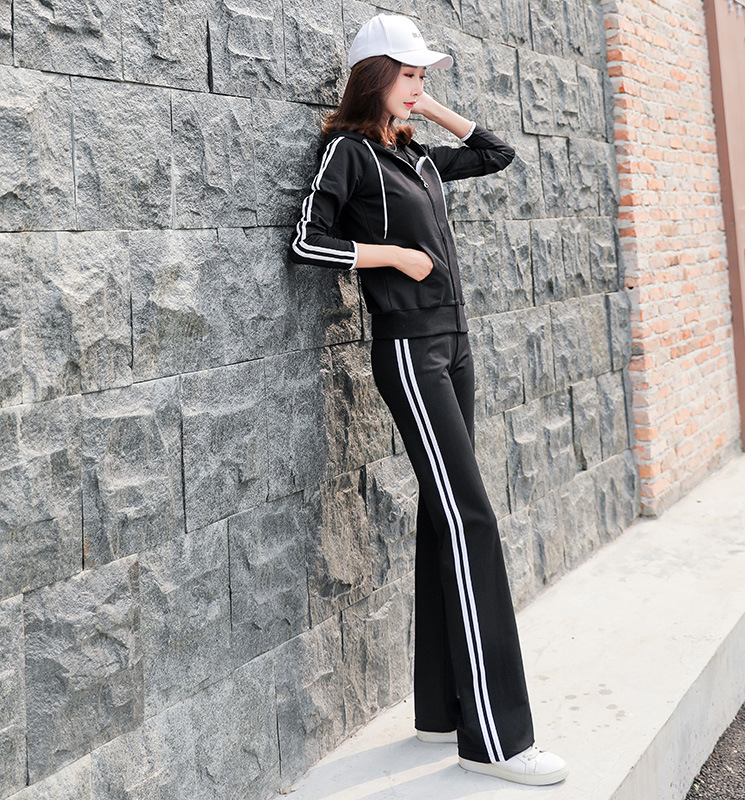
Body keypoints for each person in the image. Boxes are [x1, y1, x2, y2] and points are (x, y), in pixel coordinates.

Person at [289, 13, 568, 787]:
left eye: (421, 75)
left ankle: (441, 710)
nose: (417, 86)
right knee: (471, 516)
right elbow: (307, 240)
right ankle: (497, 742)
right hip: (410, 350)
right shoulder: (348, 151)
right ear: (374, 76)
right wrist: (396, 258)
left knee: (446, 514)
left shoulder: (414, 155)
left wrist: (427, 108)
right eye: (408, 75)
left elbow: (496, 153)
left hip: (456, 343)